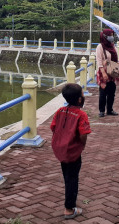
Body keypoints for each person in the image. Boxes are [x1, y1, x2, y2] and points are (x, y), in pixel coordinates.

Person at [51, 83, 91, 220]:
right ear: (80, 100)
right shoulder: (81, 114)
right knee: (72, 179)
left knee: (67, 175)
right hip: (73, 152)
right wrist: (82, 144)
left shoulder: (60, 111)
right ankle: (69, 209)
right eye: (83, 94)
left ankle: (69, 203)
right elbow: (83, 134)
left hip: (61, 150)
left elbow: (53, 127)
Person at [95, 28, 119, 117]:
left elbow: (115, 57)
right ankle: (101, 111)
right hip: (104, 71)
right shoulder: (100, 47)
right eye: (110, 36)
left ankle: (110, 110)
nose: (111, 37)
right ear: (105, 36)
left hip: (112, 71)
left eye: (112, 35)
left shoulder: (112, 46)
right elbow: (99, 61)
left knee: (112, 92)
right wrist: (103, 73)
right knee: (103, 91)